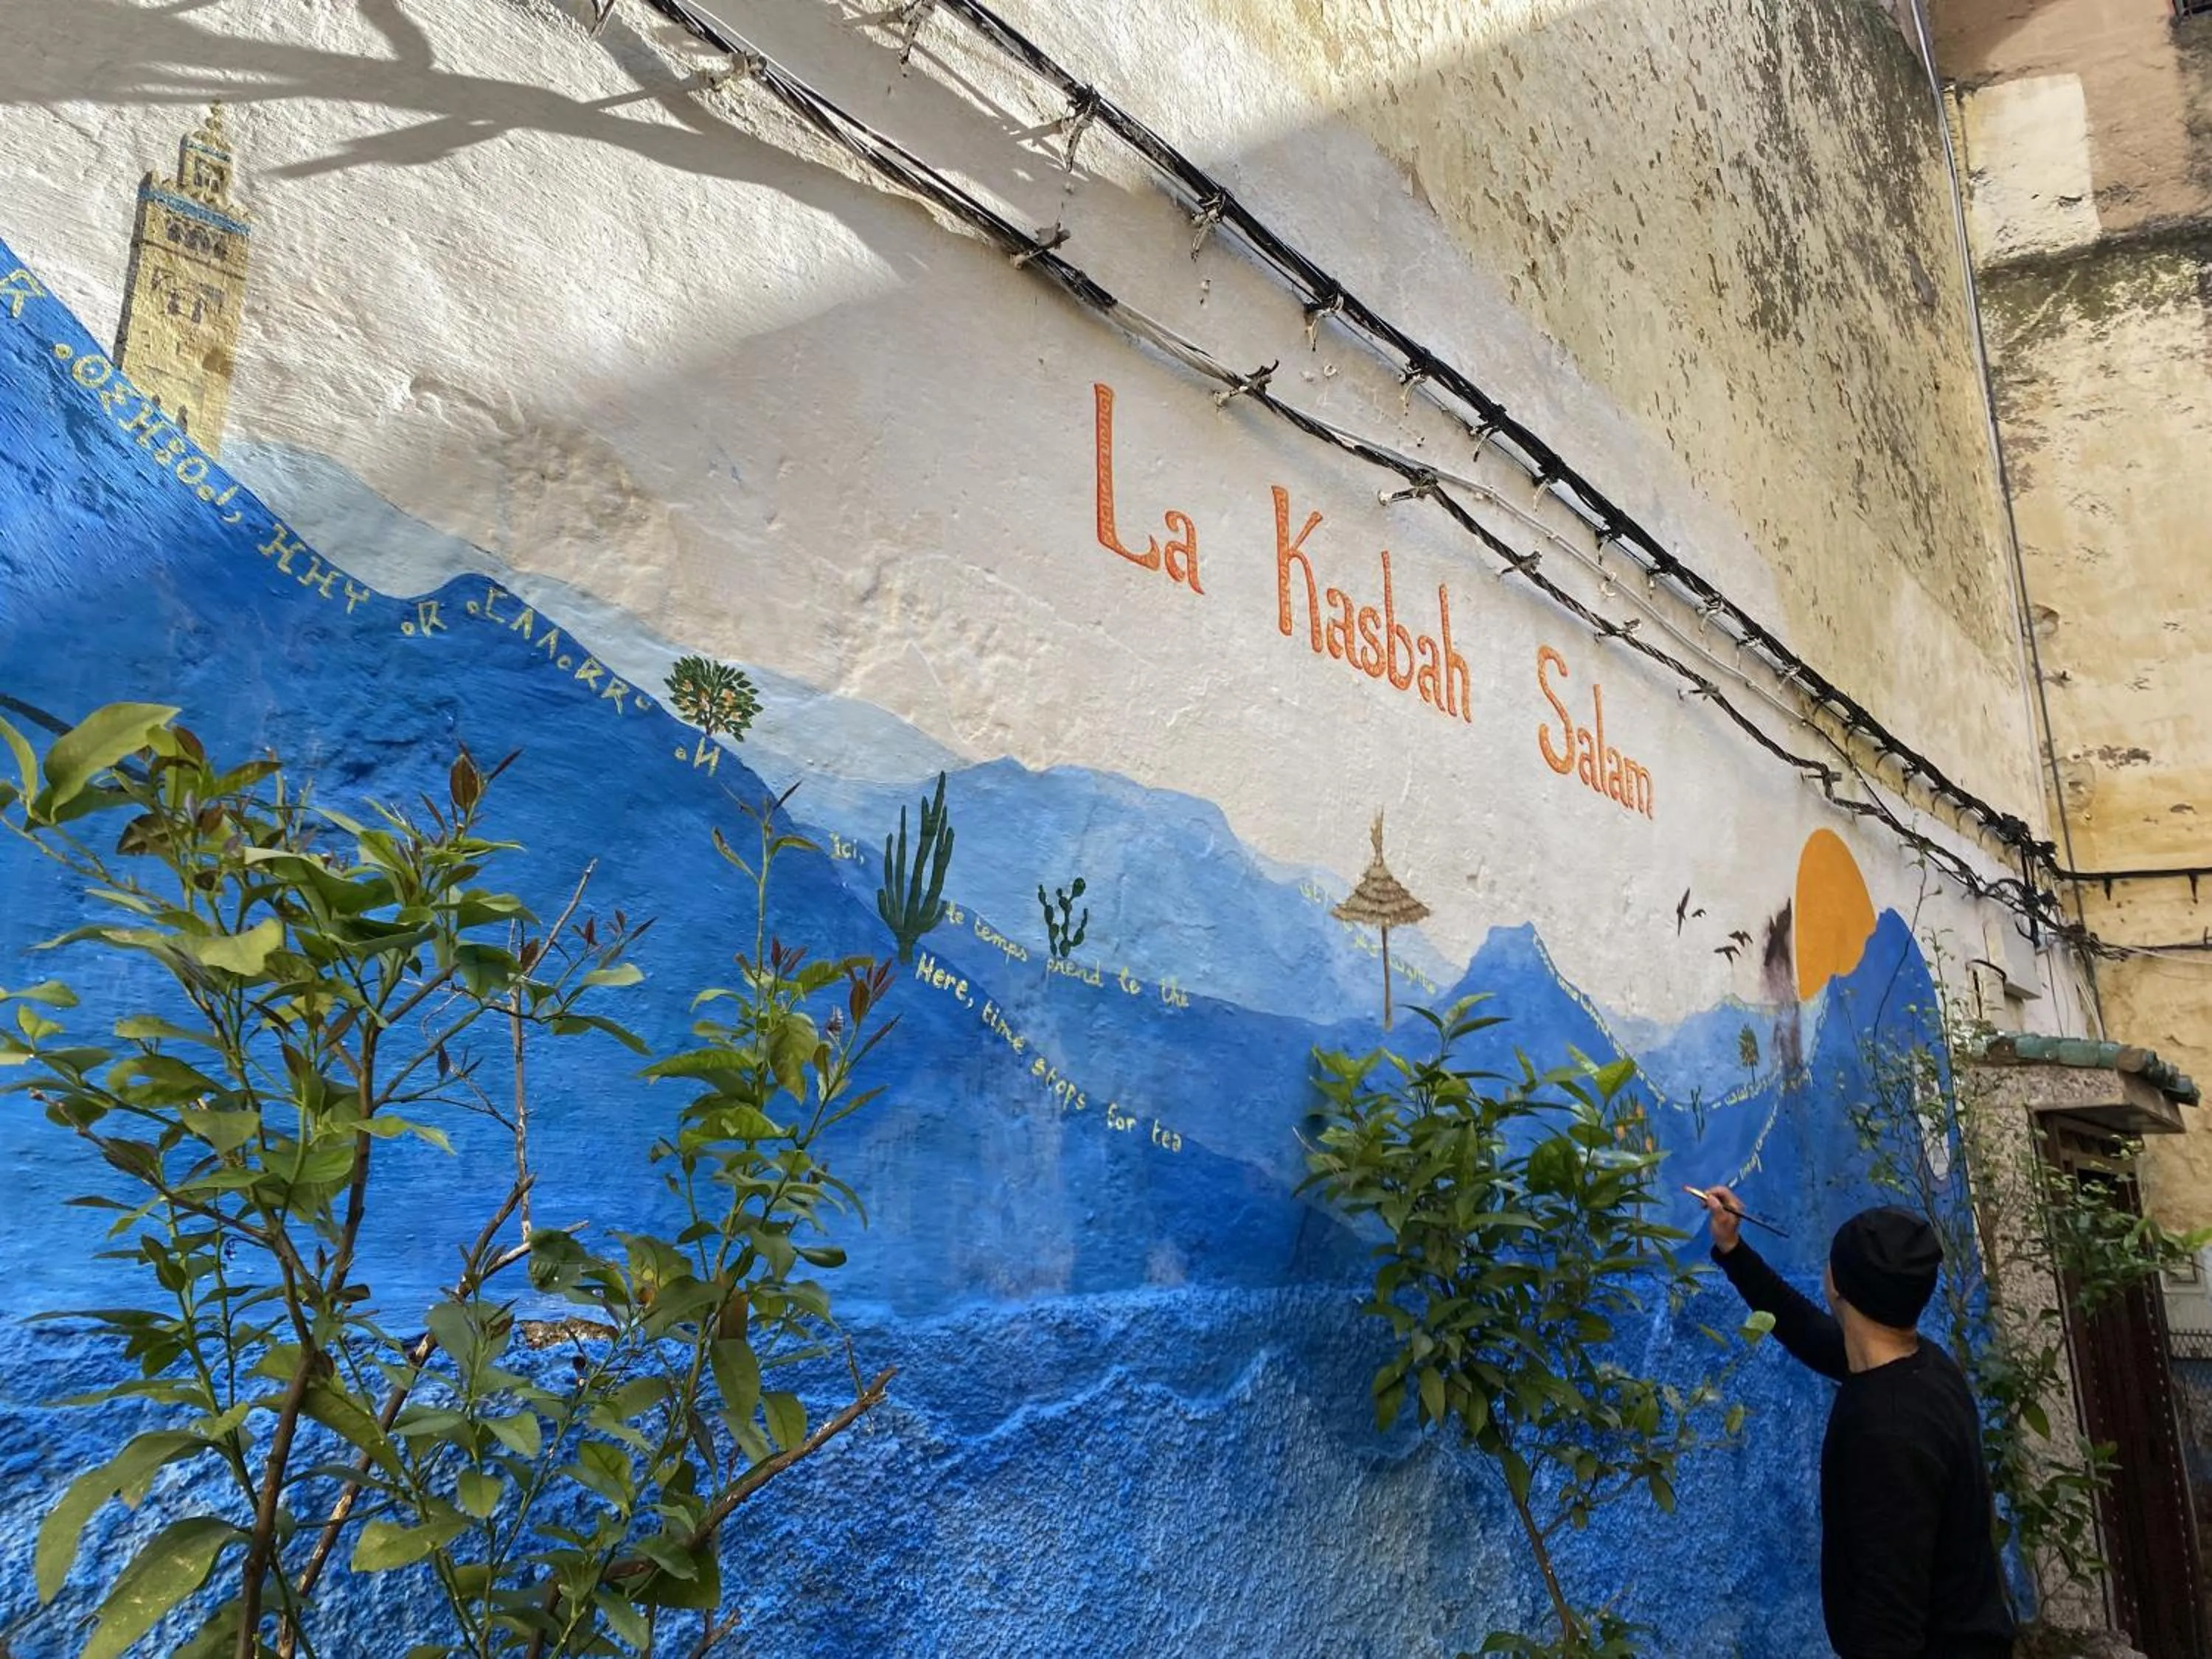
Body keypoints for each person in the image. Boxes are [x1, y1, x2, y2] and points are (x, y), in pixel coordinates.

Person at [1699, 1188, 2016, 1658]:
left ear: (1839, 1286)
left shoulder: (1885, 1434)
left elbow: (1887, 1625)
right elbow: (1807, 1328)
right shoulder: (1924, 1368)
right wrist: (1733, 1249)